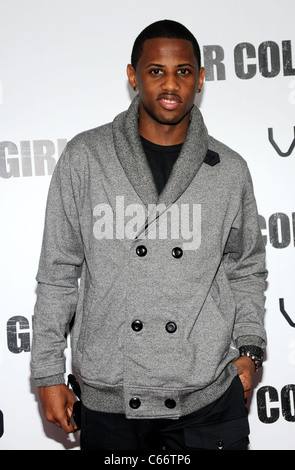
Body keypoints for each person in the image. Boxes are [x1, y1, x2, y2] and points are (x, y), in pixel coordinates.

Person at [31, 19, 267, 451]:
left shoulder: (229, 170)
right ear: (132, 76)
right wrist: (47, 373)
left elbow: (246, 269)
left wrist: (250, 351)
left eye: (184, 71)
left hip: (208, 397)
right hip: (112, 402)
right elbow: (58, 273)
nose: (170, 84)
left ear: (199, 79)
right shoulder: (87, 158)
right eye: (156, 71)